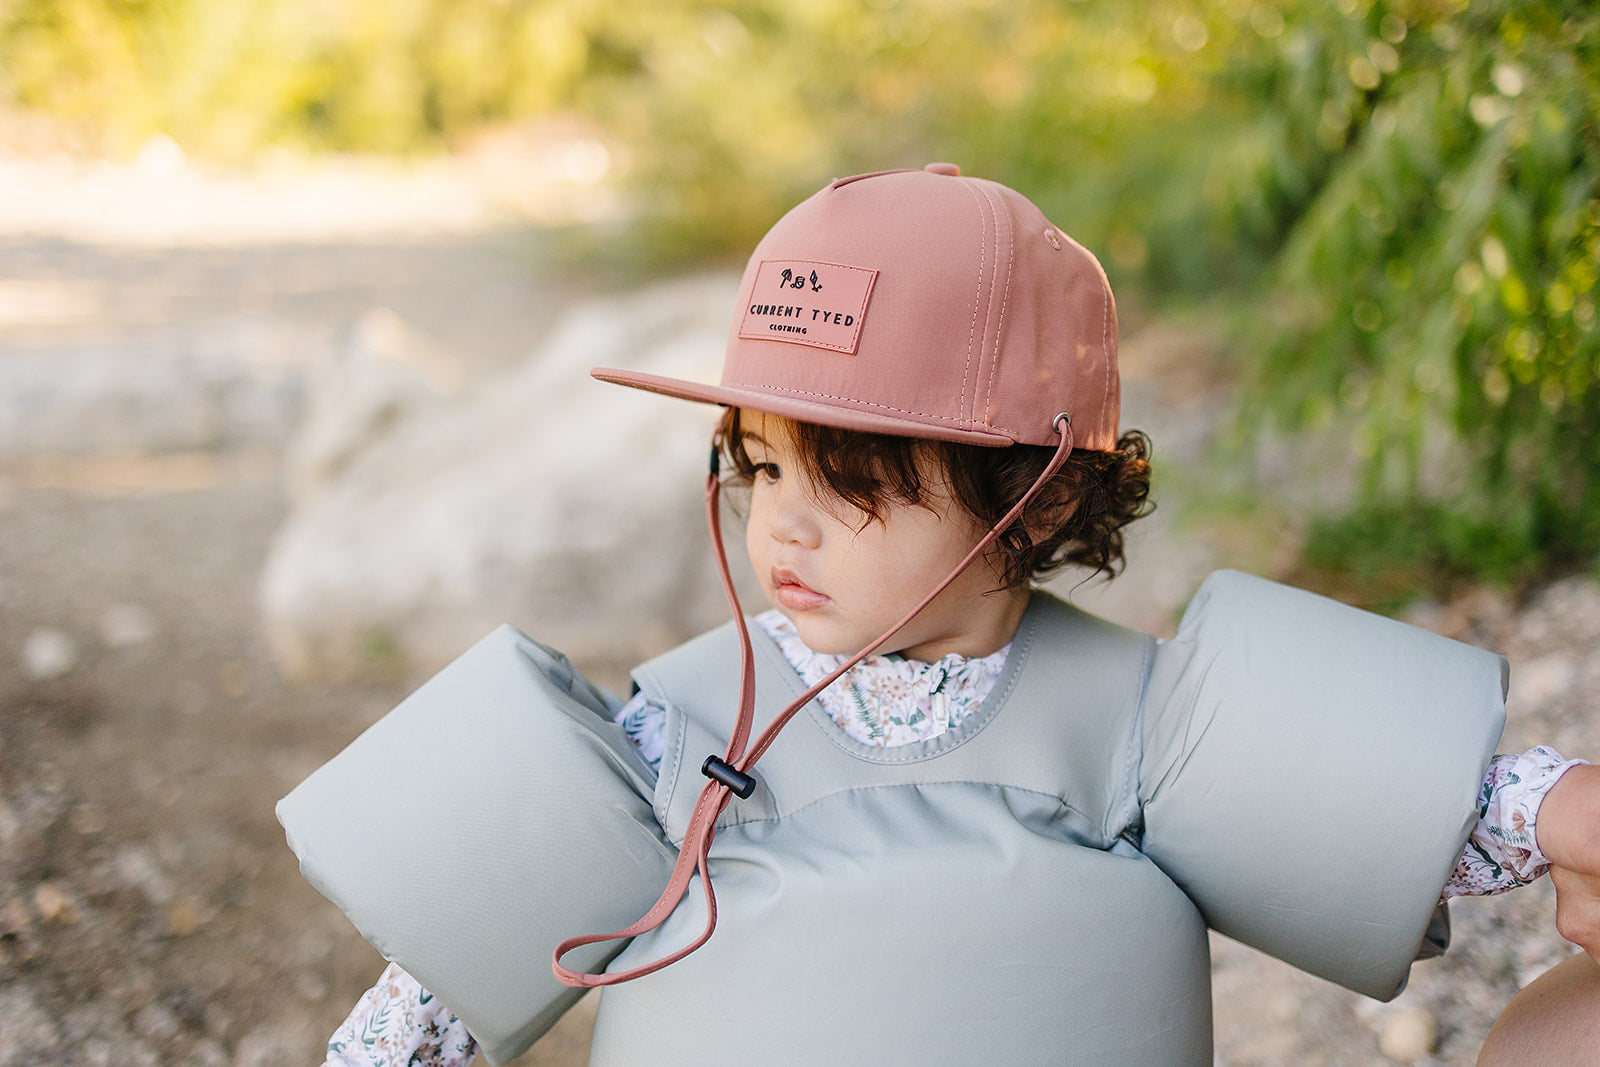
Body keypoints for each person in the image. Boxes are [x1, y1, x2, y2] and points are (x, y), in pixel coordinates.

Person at [295, 165, 1600, 1066]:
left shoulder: (1155, 726)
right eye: (761, 467)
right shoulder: (668, 734)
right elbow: (428, 1002)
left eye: (851, 483)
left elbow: (1432, 809)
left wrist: (1557, 814)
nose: (783, 526)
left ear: (1031, 504)